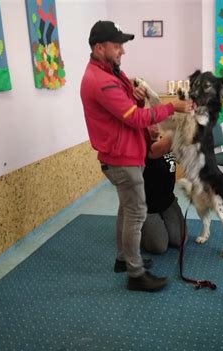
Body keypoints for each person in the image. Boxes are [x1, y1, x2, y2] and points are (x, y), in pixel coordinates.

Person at [80, 20, 192, 292]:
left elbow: (129, 109)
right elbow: (135, 118)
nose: (122, 51)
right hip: (122, 159)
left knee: (127, 209)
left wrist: (137, 96)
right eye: (117, 45)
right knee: (137, 213)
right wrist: (172, 107)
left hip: (125, 154)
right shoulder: (101, 81)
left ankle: (123, 259)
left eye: (122, 45)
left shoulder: (110, 72)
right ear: (99, 47)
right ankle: (135, 272)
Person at [141, 124, 183, 254]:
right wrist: (185, 125)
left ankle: (162, 221)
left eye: (156, 123)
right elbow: (160, 148)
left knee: (179, 240)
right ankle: (137, 227)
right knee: (159, 247)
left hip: (168, 201)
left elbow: (185, 159)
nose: (154, 127)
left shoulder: (166, 144)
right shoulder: (144, 148)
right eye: (148, 124)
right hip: (148, 207)